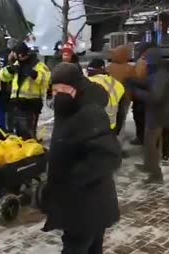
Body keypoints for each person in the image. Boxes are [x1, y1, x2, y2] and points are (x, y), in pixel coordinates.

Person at [42, 63, 121, 254]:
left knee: (76, 247)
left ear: (77, 87)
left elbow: (109, 156)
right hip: (86, 202)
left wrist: (70, 180)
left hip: (85, 202)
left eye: (63, 89)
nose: (58, 94)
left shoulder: (89, 113)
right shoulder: (69, 106)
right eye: (55, 89)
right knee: (92, 247)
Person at [130, 48, 169, 184]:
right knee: (148, 143)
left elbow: (155, 97)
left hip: (158, 116)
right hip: (154, 115)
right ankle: (148, 166)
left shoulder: (160, 75)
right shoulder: (157, 73)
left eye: (146, 59)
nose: (144, 63)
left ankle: (156, 175)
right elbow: (149, 83)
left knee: (151, 145)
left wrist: (136, 92)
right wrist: (134, 81)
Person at [0, 42, 50, 139]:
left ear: (21, 54)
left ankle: (31, 149)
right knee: (17, 132)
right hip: (16, 103)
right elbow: (2, 76)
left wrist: (34, 74)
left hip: (31, 103)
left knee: (28, 133)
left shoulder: (38, 65)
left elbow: (47, 80)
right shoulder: (17, 64)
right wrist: (11, 70)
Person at [87, 59, 127, 133]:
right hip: (110, 128)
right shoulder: (118, 85)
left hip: (91, 128)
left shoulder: (86, 83)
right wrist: (118, 129)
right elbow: (121, 112)